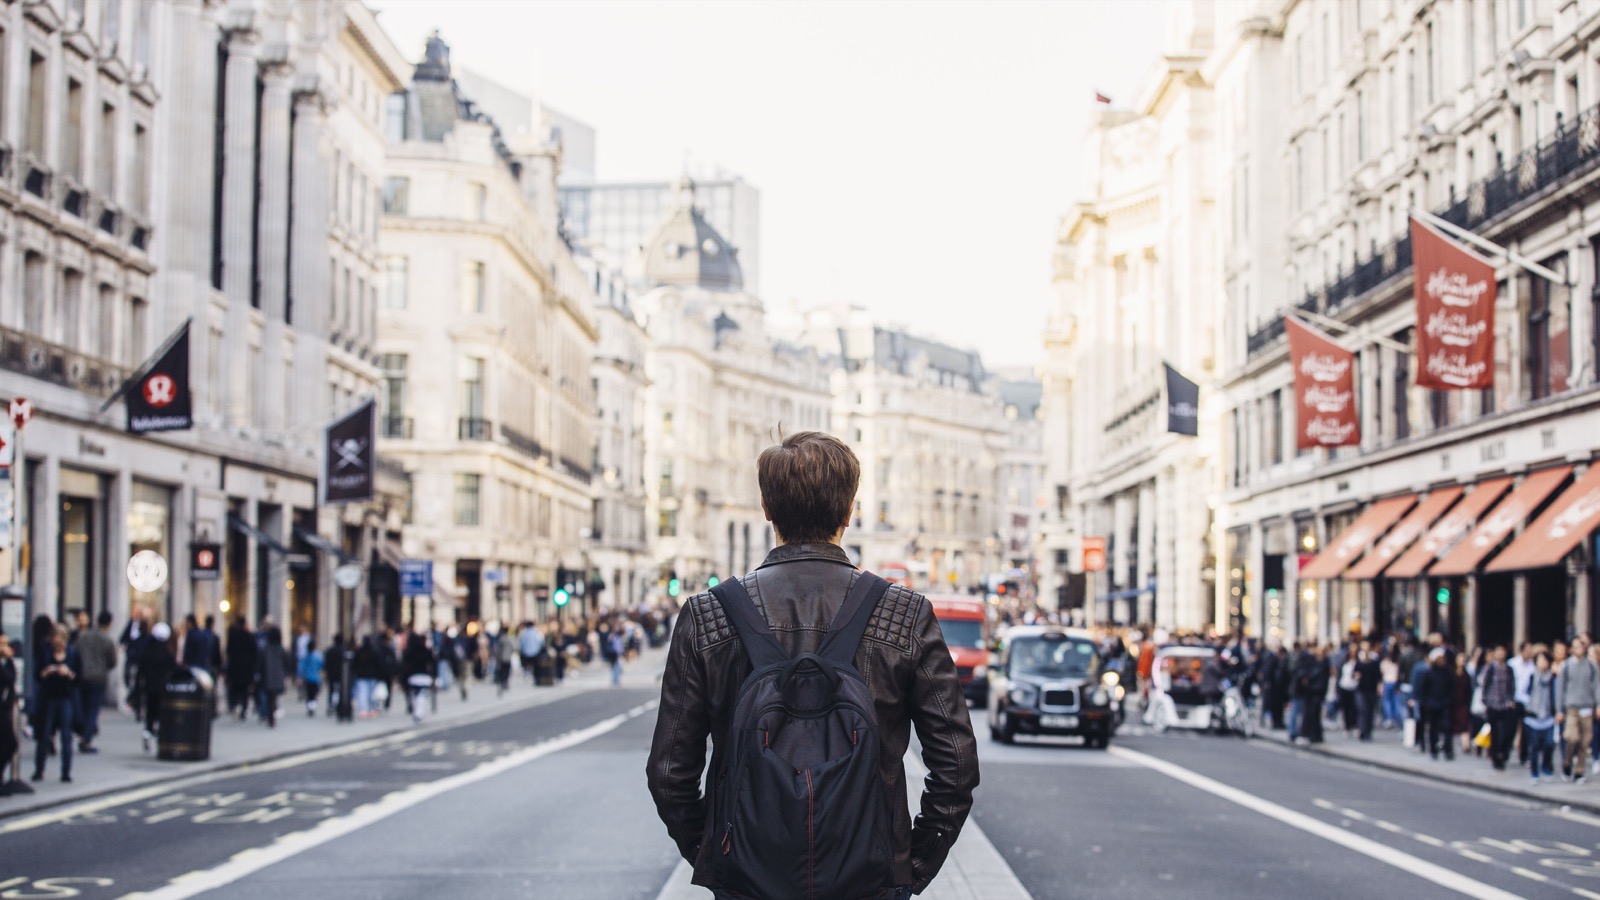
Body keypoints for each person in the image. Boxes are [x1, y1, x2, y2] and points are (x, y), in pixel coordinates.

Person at [646, 431, 978, 899]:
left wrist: (718, 854)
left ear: (766, 508)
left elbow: (668, 772)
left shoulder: (708, 613)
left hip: (748, 882)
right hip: (870, 880)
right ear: (849, 511)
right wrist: (907, 864)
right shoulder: (905, 613)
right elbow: (957, 767)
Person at [32, 627, 79, 782]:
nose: (56, 643)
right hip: (49, 698)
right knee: (44, 735)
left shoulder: (72, 654)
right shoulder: (46, 654)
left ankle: (66, 772)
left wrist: (69, 673)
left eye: (59, 639)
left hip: (66, 698)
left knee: (66, 736)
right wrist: (47, 671)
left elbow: (79, 678)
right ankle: (39, 770)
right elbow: (37, 676)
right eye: (54, 639)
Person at [74, 611, 118, 754]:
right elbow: (112, 661)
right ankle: (86, 739)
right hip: (98, 678)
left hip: (83, 676)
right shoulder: (107, 640)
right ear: (109, 624)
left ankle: (83, 733)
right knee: (92, 710)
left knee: (84, 707)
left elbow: (75, 653)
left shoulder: (84, 637)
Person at [1558, 634, 1598, 784]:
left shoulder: (1591, 666)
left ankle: (1579, 771)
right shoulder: (1566, 666)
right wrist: (1559, 709)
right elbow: (1560, 689)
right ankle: (1567, 762)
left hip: (1587, 707)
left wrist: (1598, 704)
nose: (1579, 649)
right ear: (1571, 649)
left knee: (1585, 741)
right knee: (1571, 737)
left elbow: (1596, 686)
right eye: (1576, 647)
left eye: (1581, 646)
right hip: (1572, 708)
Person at [1479, 645, 1517, 770]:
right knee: (1494, 733)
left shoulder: (1508, 669)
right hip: (1493, 704)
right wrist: (1485, 701)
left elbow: (1511, 685)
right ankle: (1495, 758)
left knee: (1508, 731)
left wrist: (1511, 699)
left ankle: (1503, 752)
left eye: (1503, 651)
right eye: (1498, 651)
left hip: (1505, 704)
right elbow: (1485, 685)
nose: (1501, 653)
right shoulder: (1490, 668)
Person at [1525, 650, 1558, 783]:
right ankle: (1534, 772)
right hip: (1533, 717)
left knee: (1549, 744)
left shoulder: (1553, 677)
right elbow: (1524, 692)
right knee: (1534, 747)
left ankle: (1546, 767)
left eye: (1545, 660)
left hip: (1548, 717)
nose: (1542, 663)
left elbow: (1557, 695)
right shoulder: (1532, 676)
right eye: (1539, 660)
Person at [1418, 648, 1454, 760]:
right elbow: (1423, 689)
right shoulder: (1428, 673)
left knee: (1447, 728)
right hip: (1432, 704)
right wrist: (1425, 703)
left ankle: (1448, 749)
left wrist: (1449, 700)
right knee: (1433, 728)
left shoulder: (1447, 672)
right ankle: (1433, 749)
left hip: (1444, 704)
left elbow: (1451, 688)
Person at [256, 626, 289, 728]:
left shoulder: (265, 649)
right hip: (277, 677)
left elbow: (260, 663)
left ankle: (269, 715)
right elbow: (286, 663)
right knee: (273, 698)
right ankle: (271, 716)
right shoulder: (281, 649)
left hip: (267, 677)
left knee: (269, 698)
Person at [224, 617, 257, 719]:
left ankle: (235, 706)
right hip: (246, 668)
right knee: (245, 690)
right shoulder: (249, 636)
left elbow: (228, 651)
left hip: (235, 667)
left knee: (235, 688)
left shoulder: (233, 636)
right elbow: (254, 653)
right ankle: (244, 709)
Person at [400, 632, 435, 723]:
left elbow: (404, 665)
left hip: (413, 677)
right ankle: (419, 713)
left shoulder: (408, 651)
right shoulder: (425, 650)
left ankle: (417, 713)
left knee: (415, 695)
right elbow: (432, 663)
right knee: (421, 696)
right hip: (423, 676)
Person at [1354, 642, 1381, 742]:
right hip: (1361, 689)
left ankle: (1368, 732)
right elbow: (1355, 673)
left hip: (1371, 689)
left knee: (1370, 711)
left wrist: (1379, 687)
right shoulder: (1359, 662)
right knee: (1362, 711)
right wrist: (1356, 676)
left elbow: (1378, 675)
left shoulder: (1374, 661)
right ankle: (1362, 731)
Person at [0, 635, 18, 785]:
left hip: (3, 708)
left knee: (10, 744)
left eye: (6, 643)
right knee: (9, 743)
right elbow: (7, 678)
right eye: (2, 644)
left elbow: (11, 679)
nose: (5, 647)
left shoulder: (5, 663)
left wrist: (9, 660)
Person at [297, 638, 324, 717]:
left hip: (307, 678)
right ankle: (312, 707)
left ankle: (310, 707)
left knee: (309, 694)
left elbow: (301, 668)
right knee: (314, 694)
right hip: (315, 678)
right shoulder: (318, 656)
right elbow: (321, 665)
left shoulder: (305, 656)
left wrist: (300, 677)